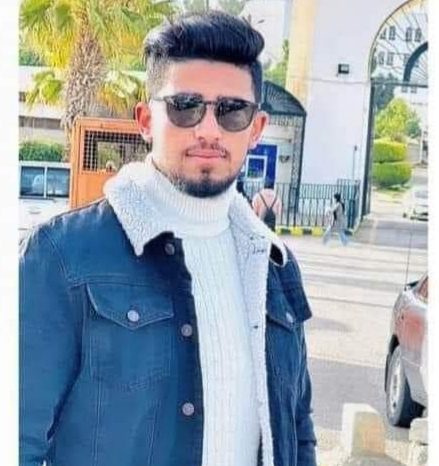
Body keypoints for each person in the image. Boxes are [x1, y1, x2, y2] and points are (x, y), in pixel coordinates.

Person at [20, 11, 316, 466]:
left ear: (256, 128)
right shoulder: (63, 256)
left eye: (232, 111)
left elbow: (297, 427)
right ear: (145, 120)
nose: (208, 129)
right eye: (184, 106)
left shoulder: (273, 264)